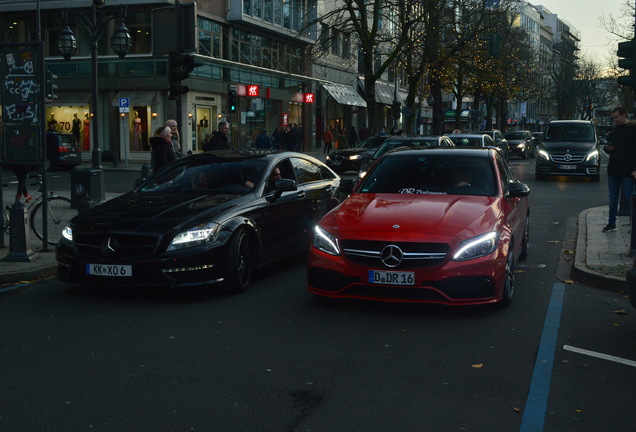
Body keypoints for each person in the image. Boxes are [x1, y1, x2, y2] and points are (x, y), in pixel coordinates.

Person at [603, 106, 636, 233]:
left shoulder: (632, 130)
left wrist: (634, 169)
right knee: (613, 198)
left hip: (628, 170)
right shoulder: (614, 130)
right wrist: (607, 148)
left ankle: (633, 226)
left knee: (630, 198)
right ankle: (611, 223)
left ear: (623, 115)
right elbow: (608, 146)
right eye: (614, 117)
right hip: (614, 170)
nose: (614, 119)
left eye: (616, 117)